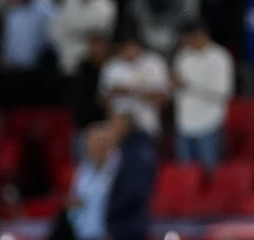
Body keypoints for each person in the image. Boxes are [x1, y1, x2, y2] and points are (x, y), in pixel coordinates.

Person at [170, 23, 235, 172]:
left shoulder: (219, 57)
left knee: (210, 172)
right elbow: (177, 87)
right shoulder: (183, 56)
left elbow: (223, 92)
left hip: (209, 122)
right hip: (184, 123)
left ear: (200, 36)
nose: (187, 43)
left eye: (189, 39)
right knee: (185, 174)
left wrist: (189, 84)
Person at [98, 33, 171, 138]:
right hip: (119, 124)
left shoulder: (154, 62)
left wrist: (135, 92)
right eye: (125, 49)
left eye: (131, 48)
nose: (129, 52)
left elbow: (165, 97)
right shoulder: (112, 65)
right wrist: (115, 92)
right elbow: (101, 99)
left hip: (146, 122)